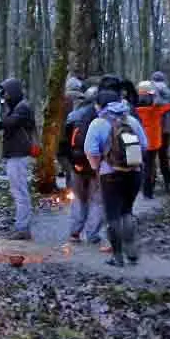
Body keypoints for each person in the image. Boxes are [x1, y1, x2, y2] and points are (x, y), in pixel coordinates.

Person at [84, 84, 149, 266]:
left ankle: (117, 256)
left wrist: (98, 167)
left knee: (112, 214)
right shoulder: (131, 120)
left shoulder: (98, 123)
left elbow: (91, 151)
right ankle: (131, 251)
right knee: (127, 210)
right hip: (134, 173)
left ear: (100, 105)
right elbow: (144, 145)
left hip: (110, 175)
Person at [0, 78, 36, 240]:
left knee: (20, 192)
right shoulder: (16, 107)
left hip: (19, 154)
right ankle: (21, 226)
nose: (4, 96)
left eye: (5, 92)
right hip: (15, 154)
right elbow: (1, 123)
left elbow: (7, 123)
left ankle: (22, 228)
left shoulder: (23, 108)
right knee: (18, 191)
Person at [62, 85, 104, 244]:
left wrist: (69, 163)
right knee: (97, 199)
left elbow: (64, 143)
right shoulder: (103, 119)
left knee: (79, 198)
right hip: (96, 164)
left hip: (77, 164)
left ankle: (75, 232)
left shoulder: (73, 116)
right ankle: (92, 234)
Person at [135, 80, 170, 199]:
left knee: (141, 165)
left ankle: (143, 189)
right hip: (152, 143)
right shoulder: (155, 110)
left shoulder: (135, 109)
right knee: (150, 167)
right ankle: (148, 191)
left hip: (139, 142)